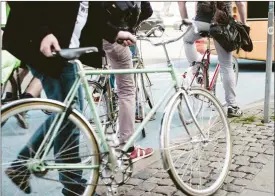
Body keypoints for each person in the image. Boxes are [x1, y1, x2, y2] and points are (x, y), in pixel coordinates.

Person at [2, 2, 152, 195]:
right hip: (41, 47)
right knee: (69, 115)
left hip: (65, 52)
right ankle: (42, 172)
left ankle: (66, 182)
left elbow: (92, 14)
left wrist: (115, 34)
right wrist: (43, 32)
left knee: (72, 116)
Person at [178, 1, 248, 117]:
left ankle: (196, 67)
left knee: (187, 40)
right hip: (222, 24)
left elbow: (181, 2)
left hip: (200, 22)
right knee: (226, 65)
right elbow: (240, 3)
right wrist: (244, 24)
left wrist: (186, 20)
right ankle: (232, 106)